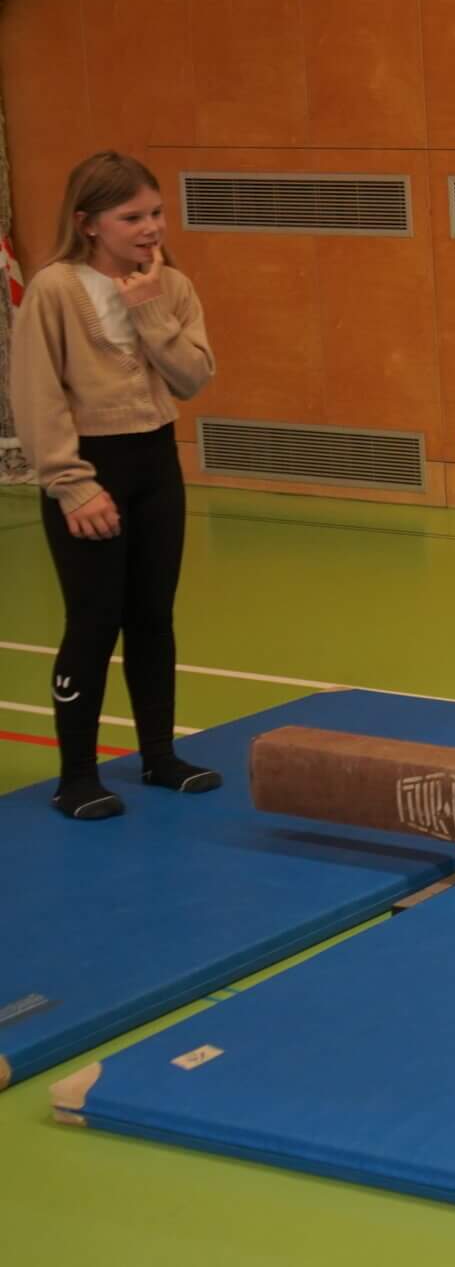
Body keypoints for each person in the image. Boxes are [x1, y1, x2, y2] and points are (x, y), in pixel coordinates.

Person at [9, 152, 220, 819]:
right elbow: (38, 395)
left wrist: (151, 312)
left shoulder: (172, 286)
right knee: (94, 621)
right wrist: (72, 484)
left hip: (155, 463)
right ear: (89, 223)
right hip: (90, 468)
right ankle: (76, 776)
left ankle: (158, 754)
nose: (151, 227)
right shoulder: (55, 289)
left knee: (153, 617)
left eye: (156, 212)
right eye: (132, 216)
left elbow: (192, 377)